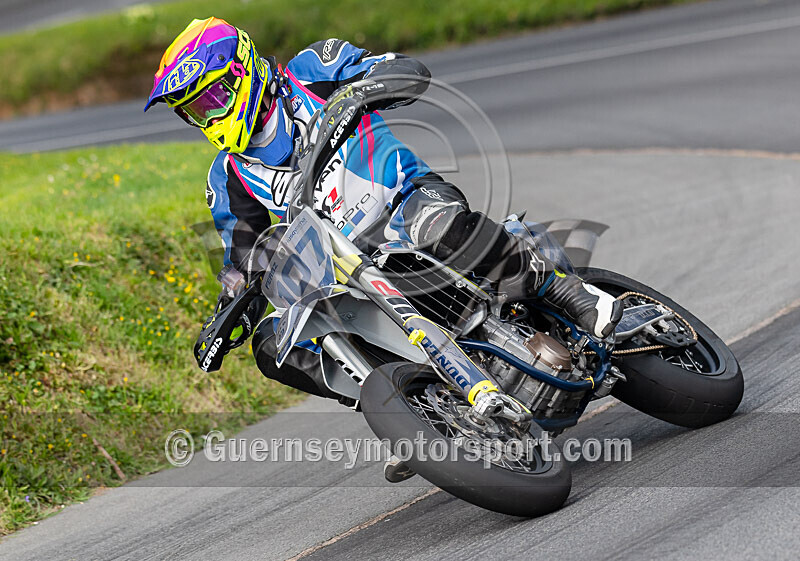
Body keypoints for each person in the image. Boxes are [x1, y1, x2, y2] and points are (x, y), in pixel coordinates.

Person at [145, 17, 622, 412]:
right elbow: (244, 259)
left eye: (212, 98)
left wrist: (361, 92)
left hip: (406, 202)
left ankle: (566, 291)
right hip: (348, 272)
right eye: (195, 111)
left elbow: (406, 70)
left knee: (431, 225)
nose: (210, 116)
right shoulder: (227, 178)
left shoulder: (312, 69)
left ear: (242, 69)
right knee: (274, 343)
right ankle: (412, 408)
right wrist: (229, 312)